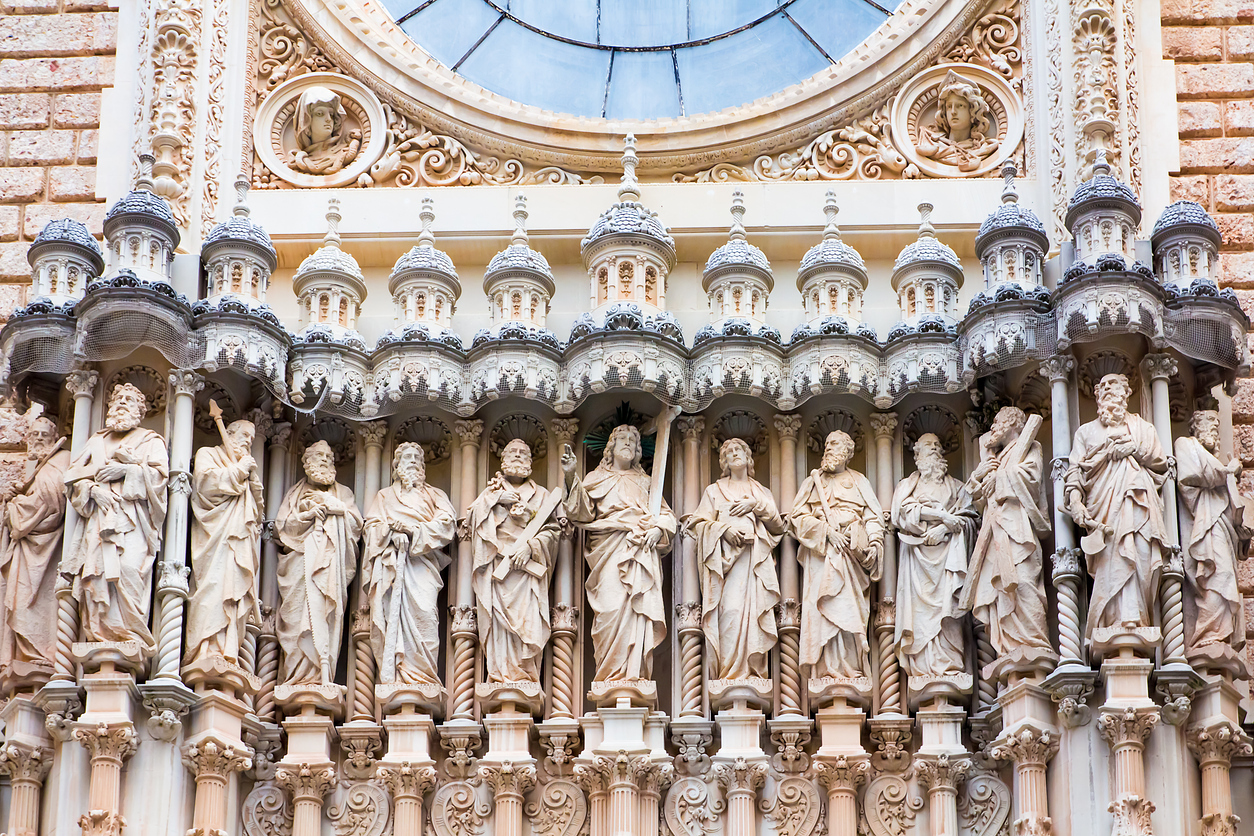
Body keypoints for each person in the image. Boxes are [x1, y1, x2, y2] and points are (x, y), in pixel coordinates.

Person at [562, 424, 676, 683]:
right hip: (608, 551)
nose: (627, 443)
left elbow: (667, 516)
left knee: (637, 612)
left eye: (633, 440)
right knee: (611, 609)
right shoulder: (594, 478)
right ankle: (611, 675)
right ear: (610, 447)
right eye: (621, 439)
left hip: (639, 552)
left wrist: (659, 530)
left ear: (638, 450)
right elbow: (581, 512)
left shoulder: (647, 482)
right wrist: (571, 477)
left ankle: (634, 674)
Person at [63, 383, 169, 652]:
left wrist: (126, 471)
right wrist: (94, 490)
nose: (122, 402)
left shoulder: (150, 441)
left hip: (133, 521)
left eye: (130, 400)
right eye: (118, 398)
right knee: (96, 576)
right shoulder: (95, 442)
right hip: (99, 521)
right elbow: (73, 481)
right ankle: (100, 635)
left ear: (140, 411)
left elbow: (159, 478)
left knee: (128, 569)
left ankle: (128, 634)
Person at [1065, 374, 1169, 647]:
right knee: (1113, 561)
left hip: (1139, 506)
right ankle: (1113, 620)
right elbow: (1074, 472)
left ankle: (1137, 618)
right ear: (1098, 396)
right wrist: (1076, 503)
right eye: (1105, 387)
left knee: (1140, 556)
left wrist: (1135, 449)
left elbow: (1160, 463)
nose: (1110, 390)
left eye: (1116, 386)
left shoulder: (1143, 429)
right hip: (1104, 509)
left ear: (1126, 393)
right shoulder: (1086, 433)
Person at [789, 430, 884, 680]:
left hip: (853, 555)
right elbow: (796, 518)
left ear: (847, 451)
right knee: (824, 611)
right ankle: (826, 670)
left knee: (849, 610)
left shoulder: (859, 481)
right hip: (822, 554)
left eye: (834, 444)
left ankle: (850, 667)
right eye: (826, 444)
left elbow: (874, 518)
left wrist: (872, 544)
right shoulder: (813, 482)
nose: (828, 448)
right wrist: (827, 532)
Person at [362, 442, 457, 686]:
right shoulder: (384, 497)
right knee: (390, 617)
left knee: (425, 614)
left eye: (417, 457)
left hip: (422, 565)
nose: (413, 460)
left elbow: (447, 525)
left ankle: (422, 677)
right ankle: (398, 677)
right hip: (393, 566)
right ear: (397, 465)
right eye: (407, 457)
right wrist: (391, 535)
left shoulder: (435, 495)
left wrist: (414, 531)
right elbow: (371, 528)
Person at [690, 438, 784, 681]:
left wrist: (757, 505)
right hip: (726, 569)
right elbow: (697, 525)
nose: (734, 454)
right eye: (728, 452)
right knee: (730, 612)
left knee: (754, 618)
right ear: (724, 461)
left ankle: (752, 672)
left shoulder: (760, 492)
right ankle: (729, 674)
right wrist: (724, 531)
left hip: (754, 566)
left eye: (738, 450)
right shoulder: (714, 490)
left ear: (748, 456)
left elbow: (778, 527)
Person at [469, 439, 561, 685]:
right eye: (513, 452)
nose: (518, 456)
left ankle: (526, 676)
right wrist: (497, 500)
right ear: (503, 459)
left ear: (531, 462)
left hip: (527, 574)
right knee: (499, 626)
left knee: (527, 625)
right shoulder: (490, 494)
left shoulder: (541, 495)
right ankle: (500, 675)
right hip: (498, 569)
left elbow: (552, 531)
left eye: (524, 453)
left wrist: (531, 547)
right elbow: (472, 523)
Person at [964, 407, 1054, 658]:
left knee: (1024, 582)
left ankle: (1033, 643)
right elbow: (977, 503)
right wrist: (978, 477)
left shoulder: (1028, 447)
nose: (992, 427)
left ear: (1012, 422)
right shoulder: (993, 459)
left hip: (1017, 528)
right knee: (1000, 591)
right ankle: (1007, 651)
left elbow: (1032, 479)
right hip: (993, 534)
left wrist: (1000, 479)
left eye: (996, 421)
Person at [275, 440, 363, 686]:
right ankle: (298, 676)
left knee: (324, 617)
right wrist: (307, 515)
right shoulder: (294, 494)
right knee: (295, 620)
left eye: (329, 457)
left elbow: (356, 526)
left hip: (328, 569)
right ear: (307, 462)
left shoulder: (342, 493)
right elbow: (282, 528)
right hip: (298, 564)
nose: (325, 460)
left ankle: (321, 674)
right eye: (319, 456)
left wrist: (333, 507)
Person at [893, 433, 977, 679]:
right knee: (920, 617)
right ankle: (923, 667)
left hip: (950, 558)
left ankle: (950, 665)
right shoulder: (907, 486)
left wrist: (945, 528)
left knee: (949, 611)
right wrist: (940, 517)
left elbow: (970, 517)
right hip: (917, 561)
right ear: (917, 455)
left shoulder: (957, 487)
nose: (935, 450)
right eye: (928, 447)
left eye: (938, 446)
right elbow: (901, 513)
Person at [185, 419, 264, 667]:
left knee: (235, 594)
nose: (248, 442)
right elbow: (206, 485)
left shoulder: (245, 464)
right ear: (228, 433)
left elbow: (257, 511)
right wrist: (239, 471)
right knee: (214, 588)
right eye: (244, 435)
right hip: (215, 539)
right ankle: (205, 650)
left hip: (240, 541)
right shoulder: (208, 454)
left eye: (252, 439)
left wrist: (253, 482)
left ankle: (229, 650)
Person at [0, 416, 70, 678]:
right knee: (21, 602)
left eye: (44, 434)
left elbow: (49, 504)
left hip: (47, 549)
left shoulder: (60, 462)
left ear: (55, 438)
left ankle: (41, 656)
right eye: (34, 434)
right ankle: (30, 658)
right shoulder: (40, 468)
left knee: (36, 603)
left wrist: (16, 506)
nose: (39, 438)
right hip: (27, 551)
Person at [1176, 410, 1249, 652]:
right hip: (1201, 525)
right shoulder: (1185, 445)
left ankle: (1218, 635)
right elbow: (1188, 476)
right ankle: (1206, 635)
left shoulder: (1217, 461)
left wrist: (1243, 529)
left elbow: (1228, 506)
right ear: (1195, 426)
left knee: (1226, 575)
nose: (1215, 432)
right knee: (1216, 577)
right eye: (1210, 425)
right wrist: (1227, 473)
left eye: (1218, 428)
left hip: (1221, 527)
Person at [916, 70, 999, 171]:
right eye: (949, 106)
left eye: (960, 106)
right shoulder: (930, 142)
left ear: (973, 111)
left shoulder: (984, 148)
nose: (953, 112)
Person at [289, 87, 362, 175]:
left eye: (331, 114)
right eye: (320, 114)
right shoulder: (299, 159)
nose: (328, 119)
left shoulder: (344, 151)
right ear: (306, 122)